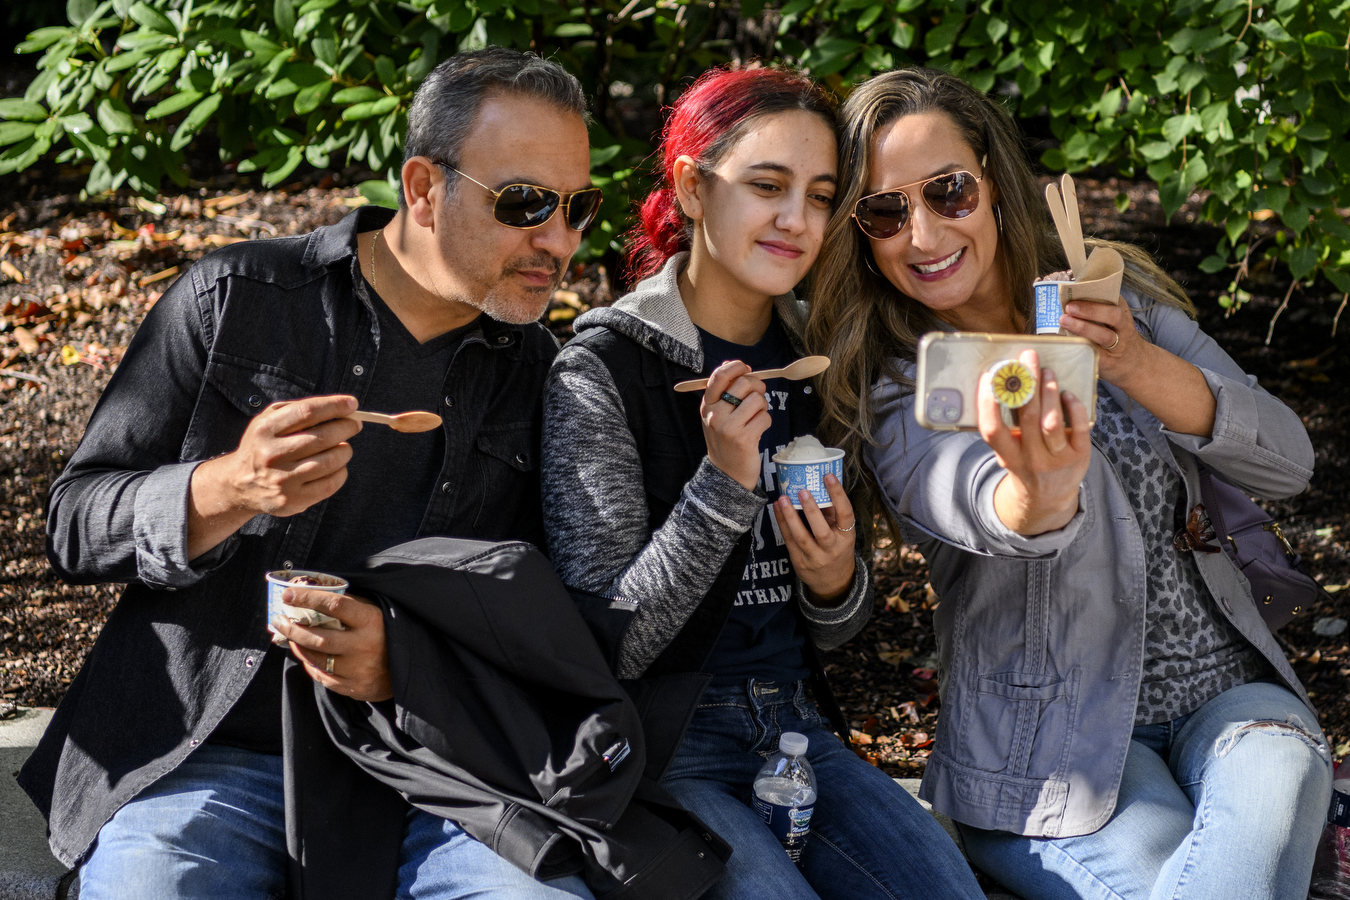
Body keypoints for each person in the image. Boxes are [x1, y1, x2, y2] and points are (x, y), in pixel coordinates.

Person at [21, 48, 605, 900]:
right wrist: (227, 490)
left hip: (441, 773)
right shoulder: (239, 299)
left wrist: (404, 663)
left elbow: (549, 619)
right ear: (421, 188)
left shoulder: (544, 375)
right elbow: (73, 524)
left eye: (578, 207)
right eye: (524, 204)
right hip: (210, 753)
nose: (557, 240)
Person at [808, 66, 1332, 900]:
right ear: (860, 234)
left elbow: (1288, 462)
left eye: (948, 191)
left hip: (1230, 700)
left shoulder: (1111, 300)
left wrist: (1133, 360)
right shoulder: (897, 386)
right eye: (884, 211)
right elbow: (978, 503)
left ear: (992, 179)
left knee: (1273, 779)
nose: (923, 234)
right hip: (1043, 753)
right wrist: (1038, 486)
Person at [540, 65, 984, 900]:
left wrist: (834, 582)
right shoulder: (602, 372)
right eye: (768, 186)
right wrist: (720, 485)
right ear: (694, 190)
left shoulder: (816, 362)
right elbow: (612, 644)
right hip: (666, 744)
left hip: (799, 728)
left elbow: (837, 627)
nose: (796, 220)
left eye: (820, 197)